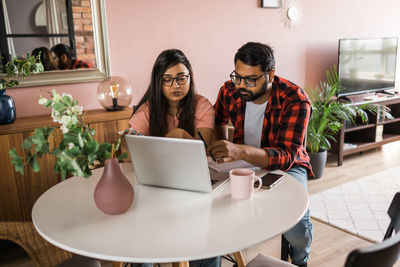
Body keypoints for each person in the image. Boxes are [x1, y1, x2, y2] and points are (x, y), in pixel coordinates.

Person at [209, 42, 313, 267]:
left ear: (271, 75)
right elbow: (217, 122)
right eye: (238, 77)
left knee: (297, 223)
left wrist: (238, 150)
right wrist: (220, 146)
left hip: (287, 165)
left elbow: (286, 155)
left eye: (251, 80)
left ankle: (299, 260)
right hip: (239, 160)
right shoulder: (229, 89)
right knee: (214, 207)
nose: (242, 86)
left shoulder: (295, 100)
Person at [128, 48, 219, 267]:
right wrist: (177, 137)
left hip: (193, 182)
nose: (175, 86)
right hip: (156, 184)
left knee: (209, 232)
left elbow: (203, 150)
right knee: (138, 231)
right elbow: (132, 152)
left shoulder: (202, 105)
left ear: (190, 78)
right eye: (167, 80)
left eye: (181, 78)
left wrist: (173, 137)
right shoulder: (146, 111)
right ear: (158, 82)